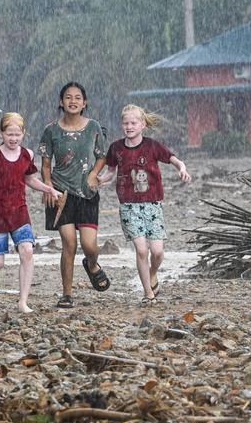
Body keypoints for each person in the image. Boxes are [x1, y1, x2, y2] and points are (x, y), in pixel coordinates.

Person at [0, 112, 61, 314]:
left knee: (27, 250)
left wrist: (49, 189)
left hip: (19, 211)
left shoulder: (28, 155)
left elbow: (30, 180)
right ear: (1, 133)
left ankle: (22, 301)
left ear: (23, 133)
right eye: (9, 134)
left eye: (17, 134)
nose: (13, 139)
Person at [97, 104, 191, 303]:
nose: (129, 126)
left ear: (143, 124)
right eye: (126, 123)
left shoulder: (152, 146)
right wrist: (98, 180)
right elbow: (110, 172)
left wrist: (182, 169)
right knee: (141, 250)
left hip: (153, 204)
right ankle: (148, 293)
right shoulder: (116, 148)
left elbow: (175, 160)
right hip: (128, 205)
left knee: (157, 252)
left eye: (133, 123)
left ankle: (153, 273)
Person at [39, 81, 109, 308]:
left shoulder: (93, 127)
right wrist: (48, 185)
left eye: (78, 97)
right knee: (68, 243)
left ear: (84, 103)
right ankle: (67, 294)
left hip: (87, 193)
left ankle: (91, 264)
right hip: (61, 195)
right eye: (68, 97)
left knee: (89, 245)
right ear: (61, 102)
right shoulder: (51, 130)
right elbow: (46, 164)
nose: (73, 101)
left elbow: (101, 156)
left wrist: (94, 175)